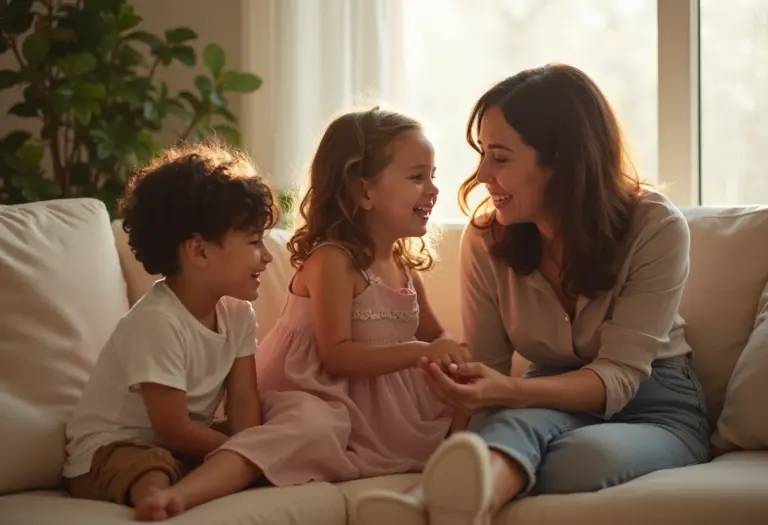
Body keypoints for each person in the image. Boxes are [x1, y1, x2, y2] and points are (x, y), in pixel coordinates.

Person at [355, 64, 710, 525]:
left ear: (562, 160)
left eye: (500, 157)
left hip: (655, 403)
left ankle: (446, 507)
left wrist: (508, 393)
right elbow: (490, 373)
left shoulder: (655, 226)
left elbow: (620, 377)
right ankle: (428, 508)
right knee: (506, 429)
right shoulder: (486, 240)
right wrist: (471, 404)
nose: (481, 173)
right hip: (542, 397)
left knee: (577, 456)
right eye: (482, 154)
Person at [134, 107, 472, 520]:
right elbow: (337, 356)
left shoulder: (402, 265)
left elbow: (436, 337)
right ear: (364, 192)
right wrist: (420, 352)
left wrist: (459, 356)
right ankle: (181, 497)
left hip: (382, 403)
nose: (433, 188)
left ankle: (440, 489)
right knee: (309, 428)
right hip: (317, 393)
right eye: (417, 177)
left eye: (433, 175)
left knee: (481, 399)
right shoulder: (334, 261)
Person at [62, 140, 277, 520]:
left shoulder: (239, 315)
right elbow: (173, 429)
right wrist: (243, 450)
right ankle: (160, 501)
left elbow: (244, 400)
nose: (268, 256)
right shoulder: (157, 322)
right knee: (153, 467)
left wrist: (250, 444)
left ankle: (206, 479)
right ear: (200, 252)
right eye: (254, 242)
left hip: (182, 444)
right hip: (110, 451)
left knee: (282, 417)